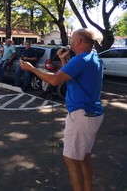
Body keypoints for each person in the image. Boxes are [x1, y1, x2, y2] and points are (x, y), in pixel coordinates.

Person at [20, 28, 104, 191]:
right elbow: (70, 78)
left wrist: (31, 69)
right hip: (92, 113)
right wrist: (64, 60)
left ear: (79, 41)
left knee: (71, 158)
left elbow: (54, 80)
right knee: (84, 156)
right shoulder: (93, 58)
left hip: (81, 115)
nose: (70, 42)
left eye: (73, 39)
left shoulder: (80, 60)